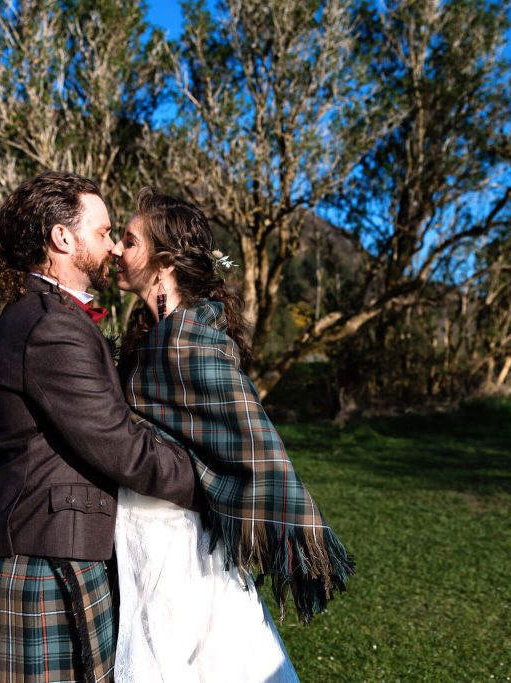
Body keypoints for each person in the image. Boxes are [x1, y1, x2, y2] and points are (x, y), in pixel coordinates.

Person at [0, 173, 203, 683]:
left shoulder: (49, 314)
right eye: (104, 231)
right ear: (62, 238)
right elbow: (116, 442)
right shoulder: (51, 324)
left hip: (54, 541)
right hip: (47, 553)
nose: (114, 248)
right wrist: (209, 481)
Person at [110, 188, 355, 682]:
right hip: (141, 532)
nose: (116, 248)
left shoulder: (190, 342)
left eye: (130, 240)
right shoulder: (151, 337)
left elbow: (254, 440)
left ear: (165, 263)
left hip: (180, 546)